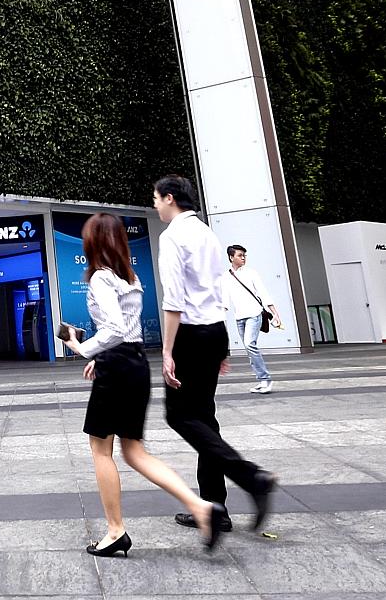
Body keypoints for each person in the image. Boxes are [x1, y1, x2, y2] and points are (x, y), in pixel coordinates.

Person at [62, 214, 222, 556]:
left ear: (94, 243)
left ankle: (116, 530)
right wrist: (99, 357)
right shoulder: (130, 279)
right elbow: (126, 332)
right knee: (133, 451)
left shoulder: (101, 280)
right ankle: (199, 506)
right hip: (134, 364)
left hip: (117, 368)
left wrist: (81, 347)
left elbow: (115, 329)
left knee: (100, 449)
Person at [154, 175, 278, 535]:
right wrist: (222, 345)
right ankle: (215, 508)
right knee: (204, 419)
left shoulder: (173, 236)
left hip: (190, 335)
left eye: (157, 199)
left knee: (179, 416)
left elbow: (174, 299)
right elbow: (217, 292)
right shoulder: (208, 234)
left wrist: (166, 351)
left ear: (171, 198)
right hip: (213, 332)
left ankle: (251, 477)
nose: (156, 205)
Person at [224, 245, 283, 394]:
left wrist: (275, 313)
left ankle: (265, 379)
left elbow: (263, 293)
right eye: (240, 255)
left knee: (250, 344)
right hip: (239, 318)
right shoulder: (226, 276)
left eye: (244, 255)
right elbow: (224, 300)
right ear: (231, 257)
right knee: (249, 348)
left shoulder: (251, 273)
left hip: (254, 314)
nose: (243, 258)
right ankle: (261, 379)